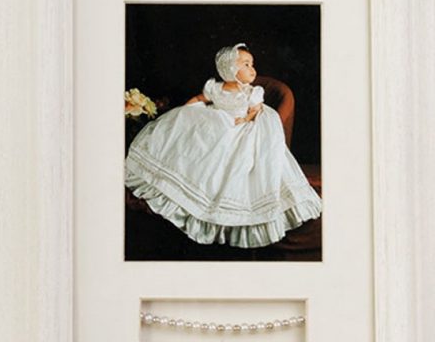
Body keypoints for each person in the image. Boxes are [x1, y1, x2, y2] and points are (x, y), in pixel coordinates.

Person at [124, 42, 322, 248]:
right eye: (246, 64)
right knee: (198, 146)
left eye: (252, 64)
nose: (252, 69)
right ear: (230, 69)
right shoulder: (215, 88)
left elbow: (255, 110)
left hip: (240, 127)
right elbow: (200, 98)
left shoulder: (252, 92)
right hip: (216, 124)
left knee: (236, 157)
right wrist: (187, 110)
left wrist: (245, 119)